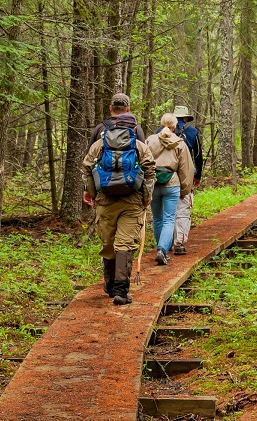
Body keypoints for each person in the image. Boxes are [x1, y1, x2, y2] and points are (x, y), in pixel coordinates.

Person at [81, 113, 156, 305]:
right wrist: (147, 197)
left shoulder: (99, 144)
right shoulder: (139, 146)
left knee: (109, 242)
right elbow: (150, 171)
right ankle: (121, 292)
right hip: (131, 201)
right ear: (133, 129)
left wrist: (91, 192)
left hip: (105, 200)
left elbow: (87, 168)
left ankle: (110, 284)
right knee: (125, 244)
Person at [145, 113, 194, 265]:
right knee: (168, 219)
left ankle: (161, 247)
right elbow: (186, 169)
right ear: (174, 127)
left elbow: (144, 163)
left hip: (154, 183)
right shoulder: (179, 143)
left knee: (157, 218)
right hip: (172, 184)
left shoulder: (150, 140)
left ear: (161, 124)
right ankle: (162, 250)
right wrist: (185, 190)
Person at [169, 105, 204, 255]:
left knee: (167, 212)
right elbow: (198, 156)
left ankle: (165, 243)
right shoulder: (191, 132)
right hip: (185, 176)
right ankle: (179, 244)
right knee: (182, 209)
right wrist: (197, 175)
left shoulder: (160, 132)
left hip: (165, 176)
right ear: (185, 117)